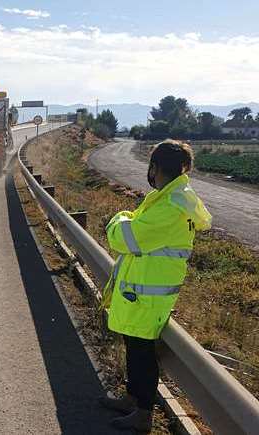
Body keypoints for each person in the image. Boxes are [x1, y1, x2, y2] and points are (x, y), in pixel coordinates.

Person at [99, 140, 212, 432]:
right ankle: (133, 398)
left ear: (156, 167)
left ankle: (143, 412)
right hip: (143, 290)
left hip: (149, 295)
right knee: (134, 346)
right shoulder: (169, 198)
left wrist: (118, 217)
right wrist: (128, 221)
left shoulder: (171, 206)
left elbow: (127, 238)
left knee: (141, 352)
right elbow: (138, 231)